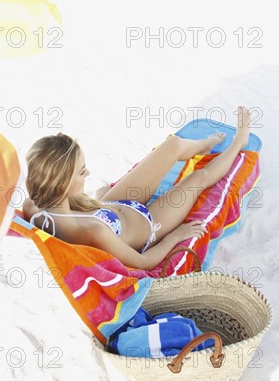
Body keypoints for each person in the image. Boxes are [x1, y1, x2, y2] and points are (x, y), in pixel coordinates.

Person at [23, 106, 252, 270]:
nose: (88, 174)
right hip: (149, 223)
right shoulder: (93, 231)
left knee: (171, 145)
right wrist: (175, 237)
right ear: (61, 182)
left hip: (111, 205)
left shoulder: (35, 206)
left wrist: (96, 202)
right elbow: (143, 263)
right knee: (199, 178)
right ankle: (238, 143)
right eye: (82, 172)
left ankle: (203, 144)